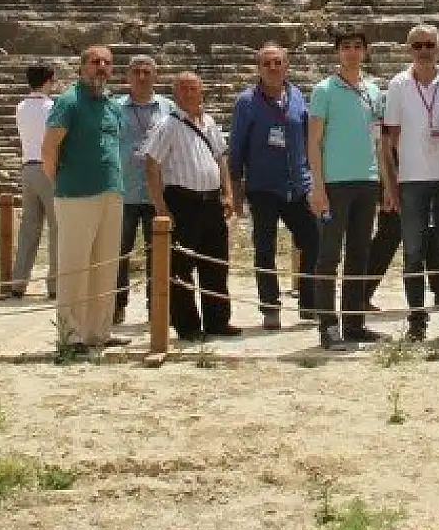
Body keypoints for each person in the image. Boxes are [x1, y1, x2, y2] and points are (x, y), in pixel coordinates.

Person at [381, 24, 439, 342]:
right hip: (412, 180)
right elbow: (388, 142)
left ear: (438, 46)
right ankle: (417, 320)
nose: (423, 50)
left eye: (428, 44)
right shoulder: (398, 85)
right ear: (409, 49)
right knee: (413, 253)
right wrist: (390, 187)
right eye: (417, 45)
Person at [143, 71, 240, 341]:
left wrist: (228, 193)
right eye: (183, 89)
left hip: (211, 202)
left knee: (216, 264)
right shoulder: (168, 125)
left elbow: (221, 160)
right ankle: (188, 326)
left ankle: (217, 321)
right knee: (180, 267)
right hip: (182, 201)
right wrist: (161, 207)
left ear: (201, 92)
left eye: (193, 88)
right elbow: (152, 166)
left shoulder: (208, 122)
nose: (189, 93)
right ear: (175, 94)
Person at [43, 46, 128, 353]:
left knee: (105, 266)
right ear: (82, 68)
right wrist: (61, 183)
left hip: (111, 191)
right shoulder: (69, 102)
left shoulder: (111, 105)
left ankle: (99, 331)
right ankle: (71, 335)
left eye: (106, 63)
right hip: (76, 194)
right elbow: (49, 149)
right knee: (75, 266)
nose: (101, 67)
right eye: (95, 62)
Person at [231, 43, 320, 330]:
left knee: (313, 241)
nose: (272, 68)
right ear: (259, 68)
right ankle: (270, 307)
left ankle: (309, 303)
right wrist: (235, 188)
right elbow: (237, 147)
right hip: (263, 187)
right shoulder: (246, 102)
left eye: (277, 63)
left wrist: (314, 178)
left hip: (297, 185)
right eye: (267, 63)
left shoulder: (297, 97)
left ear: (286, 66)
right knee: (265, 249)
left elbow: (308, 139)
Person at [309, 26, 388, 351]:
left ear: (365, 51)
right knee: (329, 255)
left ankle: (355, 323)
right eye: (346, 46)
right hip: (335, 183)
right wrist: (317, 186)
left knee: (360, 254)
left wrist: (385, 183)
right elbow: (313, 141)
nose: (352, 52)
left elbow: (379, 141)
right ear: (337, 52)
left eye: (357, 46)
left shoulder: (373, 90)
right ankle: (328, 326)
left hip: (366, 182)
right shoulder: (324, 90)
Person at [114, 55, 173, 324]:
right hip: (124, 189)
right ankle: (116, 305)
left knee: (158, 252)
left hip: (156, 193)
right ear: (127, 76)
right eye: (136, 71)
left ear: (155, 76)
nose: (141, 76)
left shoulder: (167, 108)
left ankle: (157, 306)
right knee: (118, 253)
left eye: (146, 71)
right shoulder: (115, 108)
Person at [9, 63, 59, 300]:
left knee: (29, 227)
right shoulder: (52, 107)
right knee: (57, 227)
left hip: (27, 166)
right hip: (47, 167)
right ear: (49, 81)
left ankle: (18, 282)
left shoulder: (20, 106)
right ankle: (55, 283)